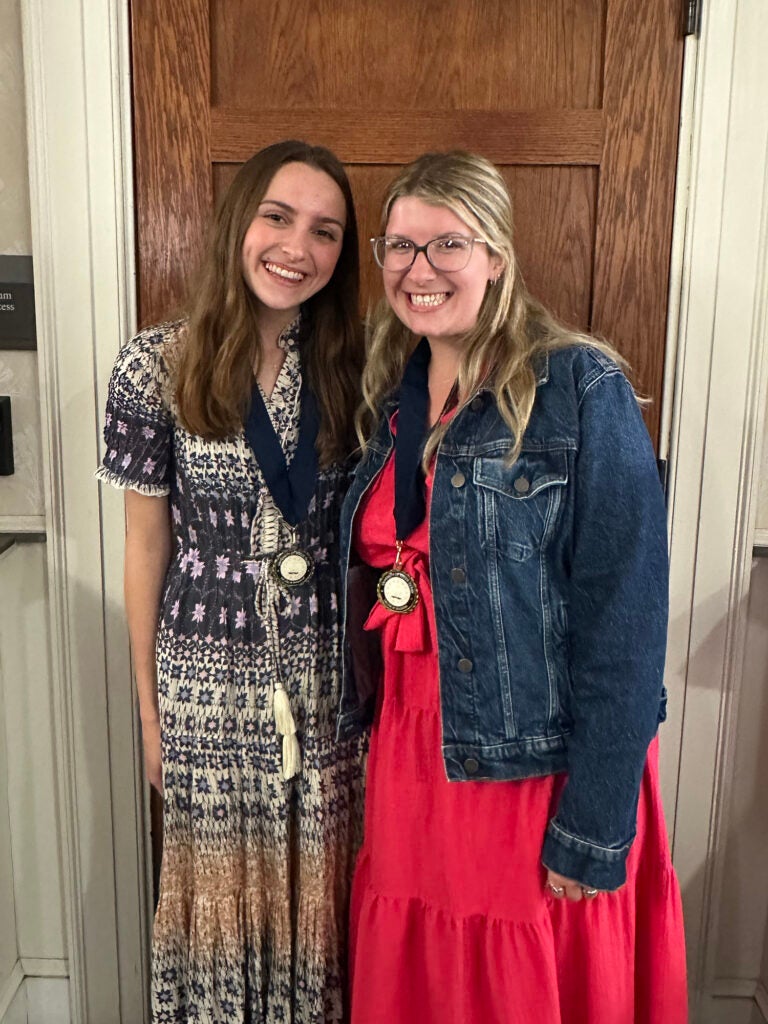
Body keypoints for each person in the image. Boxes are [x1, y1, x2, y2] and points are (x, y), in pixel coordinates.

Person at [337, 151, 687, 1023]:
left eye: (447, 244)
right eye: (400, 246)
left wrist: (595, 821)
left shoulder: (581, 387)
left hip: (530, 764)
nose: (418, 269)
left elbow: (626, 622)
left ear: (496, 255)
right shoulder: (389, 386)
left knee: (518, 981)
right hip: (412, 749)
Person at [97, 140, 367, 1023]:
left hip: (328, 677)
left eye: (325, 231)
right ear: (236, 222)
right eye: (277, 217)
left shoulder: (362, 365)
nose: (298, 247)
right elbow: (146, 546)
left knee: (326, 894)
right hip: (206, 679)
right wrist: (150, 715)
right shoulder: (155, 365)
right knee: (218, 900)